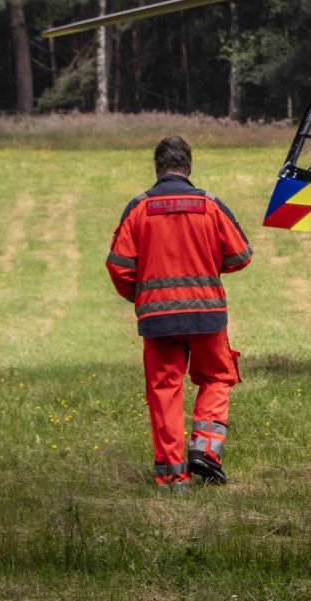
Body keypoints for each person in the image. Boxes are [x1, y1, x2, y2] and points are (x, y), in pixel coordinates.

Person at [107, 135, 252, 491]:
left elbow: (119, 267)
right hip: (207, 314)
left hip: (157, 319)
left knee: (164, 389)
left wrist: (143, 297)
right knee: (217, 377)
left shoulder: (139, 208)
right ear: (189, 167)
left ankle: (173, 477)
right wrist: (207, 264)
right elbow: (241, 255)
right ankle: (204, 449)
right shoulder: (210, 205)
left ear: (158, 168)